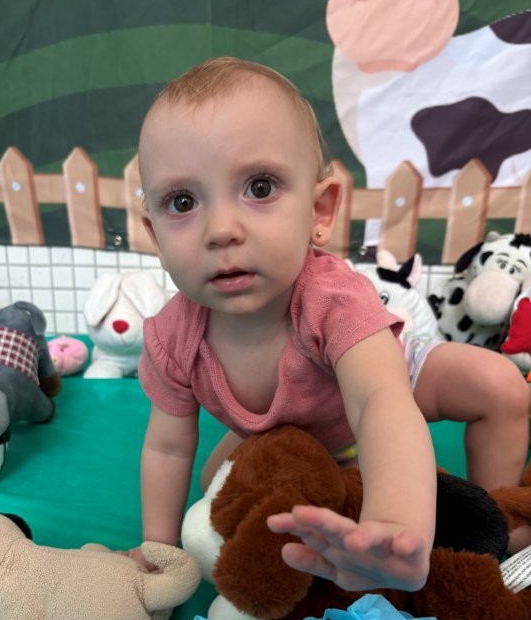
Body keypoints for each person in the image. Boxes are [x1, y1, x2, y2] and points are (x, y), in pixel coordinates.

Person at [132, 56, 530, 592]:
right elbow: (167, 448)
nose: (221, 229)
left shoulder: (331, 300)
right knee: (216, 485)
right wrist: (157, 548)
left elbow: (378, 402)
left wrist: (394, 525)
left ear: (320, 210)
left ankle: (500, 518)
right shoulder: (172, 338)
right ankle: (337, 473)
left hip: (384, 377)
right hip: (298, 430)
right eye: (182, 202)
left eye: (260, 188)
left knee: (499, 384)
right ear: (155, 236)